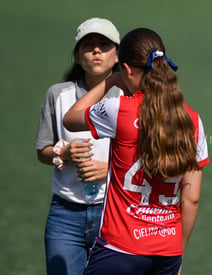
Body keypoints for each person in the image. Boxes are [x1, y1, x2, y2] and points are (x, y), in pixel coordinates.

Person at [63, 27, 209, 275]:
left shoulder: (119, 109)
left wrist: (111, 80)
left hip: (119, 248)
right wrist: (178, 252)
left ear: (127, 69)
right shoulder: (192, 119)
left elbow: (71, 118)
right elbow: (191, 197)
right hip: (168, 252)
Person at [34, 17, 122, 275]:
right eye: (88, 45)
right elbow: (42, 151)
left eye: (104, 45)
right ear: (76, 54)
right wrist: (65, 153)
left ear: (117, 55)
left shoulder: (130, 97)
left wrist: (107, 169)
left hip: (113, 212)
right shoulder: (57, 94)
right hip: (64, 214)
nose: (96, 51)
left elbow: (147, 157)